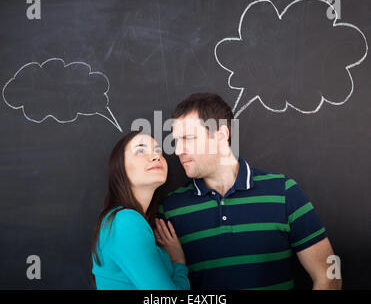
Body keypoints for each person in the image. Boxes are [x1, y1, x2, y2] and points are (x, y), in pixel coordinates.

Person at [156, 93, 342, 290]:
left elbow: (330, 275)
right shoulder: (170, 210)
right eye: (176, 140)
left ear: (220, 136)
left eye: (188, 138)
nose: (177, 151)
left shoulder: (283, 192)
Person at [90, 130, 190, 290]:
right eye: (140, 150)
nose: (156, 156)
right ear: (120, 166)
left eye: (158, 151)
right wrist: (178, 263)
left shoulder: (125, 221)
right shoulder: (125, 221)